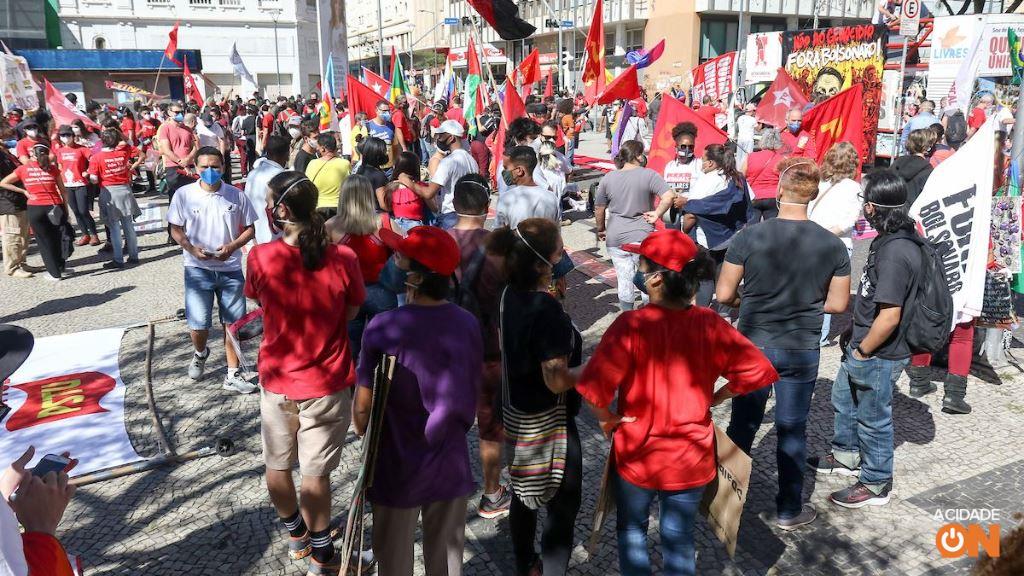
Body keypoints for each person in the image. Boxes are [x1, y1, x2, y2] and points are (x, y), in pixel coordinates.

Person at [577, 230, 778, 575]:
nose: (637, 270)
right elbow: (758, 371)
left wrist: (605, 418)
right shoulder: (711, 324)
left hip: (637, 450)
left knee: (631, 529)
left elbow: (594, 387)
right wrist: (715, 397)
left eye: (641, 264)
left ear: (654, 279)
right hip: (691, 455)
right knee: (680, 536)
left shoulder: (630, 325)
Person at [716, 158, 852, 531]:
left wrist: (751, 301)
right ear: (814, 196)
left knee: (743, 423)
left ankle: (725, 501)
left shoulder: (749, 236)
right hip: (800, 346)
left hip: (755, 343)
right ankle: (789, 509)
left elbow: (724, 292)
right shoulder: (832, 245)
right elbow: (839, 304)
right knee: (792, 427)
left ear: (778, 193)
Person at [245, 171, 364, 576]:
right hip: (327, 383)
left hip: (277, 380)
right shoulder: (344, 258)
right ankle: (320, 552)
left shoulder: (260, 257)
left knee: (277, 465)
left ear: (279, 210)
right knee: (316, 474)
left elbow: (259, 301)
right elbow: (351, 313)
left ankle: (297, 535)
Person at [353, 226, 480, 576]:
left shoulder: (381, 326)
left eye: (398, 258)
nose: (391, 262)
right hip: (450, 461)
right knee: (446, 560)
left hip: (396, 464)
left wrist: (361, 431)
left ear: (415, 279)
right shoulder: (467, 323)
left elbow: (362, 408)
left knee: (393, 561)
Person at [812, 169, 920, 509]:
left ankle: (876, 482)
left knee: (873, 417)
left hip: (880, 351)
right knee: (844, 398)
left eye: (864, 201)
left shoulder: (896, 252)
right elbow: (874, 300)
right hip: (863, 340)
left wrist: (862, 350)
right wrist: (853, 332)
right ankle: (846, 455)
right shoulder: (887, 239)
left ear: (874, 207)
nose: (861, 208)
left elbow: (890, 316)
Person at [486, 218, 583, 576]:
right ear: (543, 262)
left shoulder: (510, 292)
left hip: (513, 405)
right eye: (560, 248)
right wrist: (598, 367)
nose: (565, 253)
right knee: (562, 503)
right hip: (546, 418)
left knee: (523, 490)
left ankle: (524, 560)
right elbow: (557, 381)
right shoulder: (543, 310)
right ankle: (552, 567)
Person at [444, 174, 510, 519]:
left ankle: (448, 490)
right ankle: (491, 492)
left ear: (454, 206)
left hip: (446, 348)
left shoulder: (440, 242)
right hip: (490, 346)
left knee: (447, 422)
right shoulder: (500, 246)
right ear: (487, 208)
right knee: (490, 425)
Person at [167, 147, 258, 394]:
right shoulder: (183, 195)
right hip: (197, 269)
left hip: (230, 269)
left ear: (223, 167)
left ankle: (232, 374)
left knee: (233, 324)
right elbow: (175, 228)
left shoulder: (236, 195)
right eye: (204, 167)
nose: (210, 171)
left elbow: (250, 228)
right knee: (198, 325)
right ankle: (200, 352)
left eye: (215, 166)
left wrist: (233, 246)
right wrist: (190, 248)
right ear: (195, 168)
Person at [595, 140, 674, 311]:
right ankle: (649, 315)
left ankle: (627, 316)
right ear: (638, 156)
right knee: (647, 277)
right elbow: (669, 196)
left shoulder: (608, 178)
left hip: (616, 238)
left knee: (624, 279)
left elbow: (599, 208)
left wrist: (600, 229)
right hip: (643, 238)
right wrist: (657, 213)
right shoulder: (649, 175)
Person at [326, 174, 398, 359]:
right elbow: (407, 246)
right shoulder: (384, 222)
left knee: (348, 352)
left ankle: (350, 386)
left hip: (346, 295)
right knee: (385, 353)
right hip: (382, 291)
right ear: (368, 195)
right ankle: (381, 386)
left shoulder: (331, 226)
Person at [809, 142, 862, 346]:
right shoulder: (854, 188)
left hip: (813, 240)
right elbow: (850, 221)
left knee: (813, 287)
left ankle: (810, 328)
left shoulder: (819, 183)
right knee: (830, 291)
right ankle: (820, 335)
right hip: (838, 243)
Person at [0, 145, 71, 281]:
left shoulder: (23, 168)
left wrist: (24, 191)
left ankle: (54, 273)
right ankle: (60, 266)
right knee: (56, 238)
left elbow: (4, 182)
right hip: (54, 206)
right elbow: (63, 191)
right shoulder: (53, 169)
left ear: (32, 155)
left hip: (34, 207)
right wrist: (66, 210)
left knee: (43, 241)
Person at [88, 129, 142, 269]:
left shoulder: (96, 158)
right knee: (128, 226)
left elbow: (93, 180)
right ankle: (134, 256)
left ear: (102, 141)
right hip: (125, 190)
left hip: (109, 192)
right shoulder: (123, 152)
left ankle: (118, 260)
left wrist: (89, 175)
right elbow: (129, 142)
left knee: (114, 228)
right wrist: (119, 134)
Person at [415, 121, 478, 229]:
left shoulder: (449, 161)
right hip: (468, 214)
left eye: (441, 135)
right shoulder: (471, 160)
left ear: (451, 138)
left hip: (450, 216)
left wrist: (407, 182)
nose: (438, 138)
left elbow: (429, 193)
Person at [54, 124, 99, 247]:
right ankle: (85, 235)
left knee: (84, 211)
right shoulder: (60, 151)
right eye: (62, 135)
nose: (65, 137)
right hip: (68, 185)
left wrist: (88, 172)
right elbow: (59, 167)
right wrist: (59, 183)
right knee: (76, 212)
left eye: (68, 135)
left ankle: (94, 235)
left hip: (81, 184)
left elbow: (94, 160)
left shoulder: (82, 149)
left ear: (73, 136)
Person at [496, 146, 560, 228]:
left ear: (519, 170)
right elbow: (556, 232)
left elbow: (499, 232)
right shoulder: (552, 197)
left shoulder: (506, 199)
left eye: (505, 168)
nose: (504, 172)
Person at [245, 135, 289, 245]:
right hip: (276, 238)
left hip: (257, 236)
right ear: (286, 154)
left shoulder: (253, 173)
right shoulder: (282, 177)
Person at [0, 129, 31, 278]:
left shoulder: (5, 151)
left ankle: (21, 261)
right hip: (7, 200)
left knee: (24, 233)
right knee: (12, 235)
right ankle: (12, 267)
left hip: (20, 197)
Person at [662, 122, 702, 230]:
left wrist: (687, 201)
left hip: (691, 215)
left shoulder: (700, 165)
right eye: (683, 146)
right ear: (676, 146)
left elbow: (705, 193)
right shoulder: (669, 166)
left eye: (691, 146)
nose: (687, 149)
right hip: (671, 215)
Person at [305, 133, 351, 219]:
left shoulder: (312, 164)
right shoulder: (344, 164)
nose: (317, 149)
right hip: (340, 210)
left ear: (323, 149)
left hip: (319, 210)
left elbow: (308, 187)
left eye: (318, 147)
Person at [745, 128, 784, 222]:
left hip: (753, 196)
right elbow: (784, 180)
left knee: (752, 227)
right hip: (773, 196)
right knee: (771, 229)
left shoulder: (750, 156)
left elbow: (742, 176)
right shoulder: (782, 159)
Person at [386, 151, 428, 233]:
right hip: (415, 225)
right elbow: (435, 208)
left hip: (396, 225)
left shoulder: (391, 187)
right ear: (415, 168)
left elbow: (388, 207)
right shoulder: (420, 186)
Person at [891, 128, 935, 207]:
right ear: (928, 147)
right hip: (911, 213)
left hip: (892, 207)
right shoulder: (927, 169)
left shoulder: (898, 162)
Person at [368, 100, 399, 169]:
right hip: (374, 168)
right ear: (376, 110)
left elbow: (395, 146)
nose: (387, 113)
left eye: (388, 111)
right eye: (384, 111)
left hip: (389, 168)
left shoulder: (392, 126)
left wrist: (396, 162)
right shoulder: (368, 126)